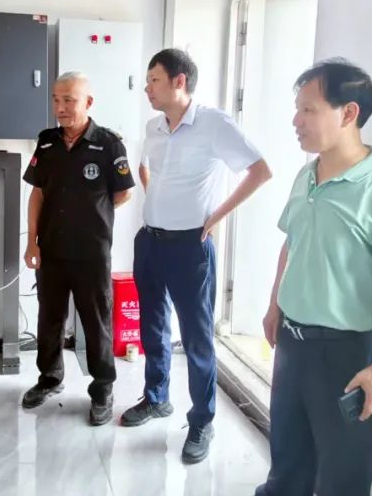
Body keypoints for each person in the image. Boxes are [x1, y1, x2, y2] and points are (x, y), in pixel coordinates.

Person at [255, 60, 372, 496]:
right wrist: (275, 305)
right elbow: (292, 243)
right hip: (292, 342)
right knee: (287, 460)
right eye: (297, 109)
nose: (296, 121)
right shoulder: (306, 175)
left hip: (344, 352)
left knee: (342, 473)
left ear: (349, 113)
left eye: (308, 110)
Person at [121, 48, 272, 464]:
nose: (147, 88)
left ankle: (202, 420)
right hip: (150, 241)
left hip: (190, 246)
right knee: (152, 326)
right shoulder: (154, 127)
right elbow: (145, 167)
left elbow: (260, 171)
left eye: (154, 80)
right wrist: (157, 198)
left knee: (196, 337)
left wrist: (216, 216)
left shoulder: (213, 124)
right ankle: (156, 397)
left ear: (179, 81)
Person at [20, 71, 135, 425]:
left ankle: (102, 388)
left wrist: (90, 216)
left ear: (88, 102)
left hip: (91, 253)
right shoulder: (47, 142)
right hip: (52, 249)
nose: (60, 107)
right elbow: (37, 193)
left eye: (68, 100)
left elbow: (123, 193)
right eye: (56, 99)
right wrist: (31, 240)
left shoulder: (109, 143)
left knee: (96, 321)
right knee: (49, 319)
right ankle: (49, 378)